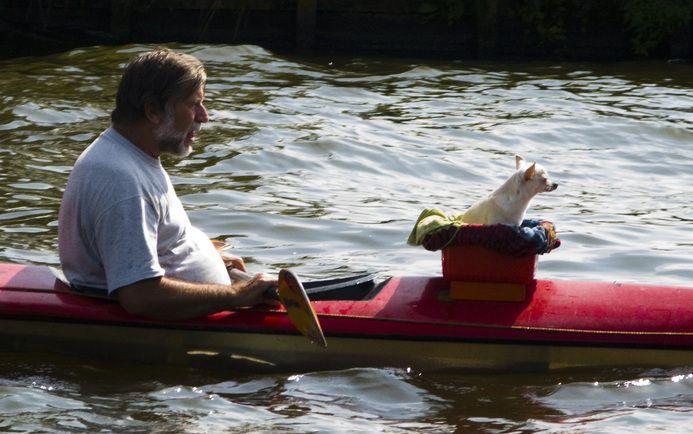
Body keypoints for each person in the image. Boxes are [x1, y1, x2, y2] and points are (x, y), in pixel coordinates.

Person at [58, 48, 277, 320]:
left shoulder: (128, 154)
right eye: (193, 105)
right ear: (153, 111)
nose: (204, 116)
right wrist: (240, 294)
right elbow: (140, 297)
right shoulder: (121, 180)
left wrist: (205, 254)